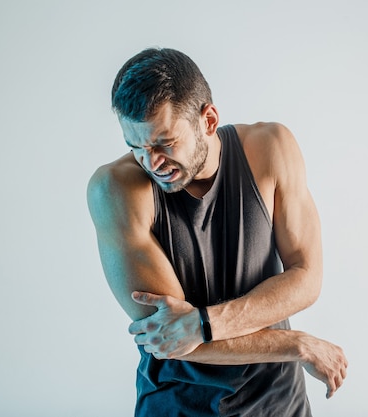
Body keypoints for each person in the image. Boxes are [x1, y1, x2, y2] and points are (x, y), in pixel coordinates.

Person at [87, 47, 347, 416]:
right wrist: (296, 344)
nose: (151, 162)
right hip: (177, 406)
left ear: (208, 120)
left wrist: (204, 323)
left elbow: (306, 276)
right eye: (136, 147)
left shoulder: (271, 150)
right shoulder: (115, 190)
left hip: (279, 404)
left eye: (164, 143)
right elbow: (171, 337)